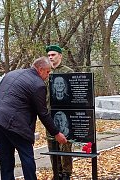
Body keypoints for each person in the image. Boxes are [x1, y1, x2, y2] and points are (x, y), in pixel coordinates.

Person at [0, 56, 67, 180]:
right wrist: (56, 133)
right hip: (14, 124)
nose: (48, 75)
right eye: (47, 72)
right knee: (27, 156)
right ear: (40, 69)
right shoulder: (38, 84)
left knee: (5, 159)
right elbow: (43, 112)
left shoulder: (12, 74)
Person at [46, 45, 74, 180]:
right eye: (49, 55)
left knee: (66, 143)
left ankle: (66, 173)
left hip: (65, 113)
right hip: (49, 113)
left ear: (60, 56)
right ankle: (56, 172)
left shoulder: (68, 72)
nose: (51, 57)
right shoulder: (46, 72)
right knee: (52, 144)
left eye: (53, 55)